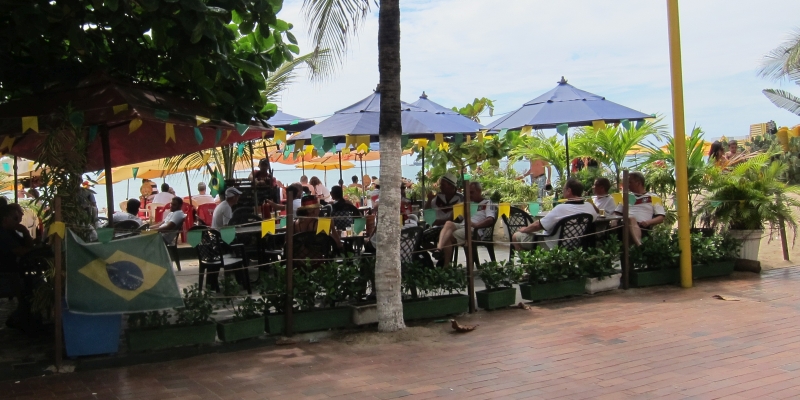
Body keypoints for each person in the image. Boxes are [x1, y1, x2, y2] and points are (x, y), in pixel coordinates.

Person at [512, 178, 597, 251]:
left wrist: (525, 229)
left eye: (564, 189)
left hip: (551, 245)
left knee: (516, 236)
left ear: (569, 190)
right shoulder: (589, 207)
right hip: (575, 245)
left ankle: (526, 263)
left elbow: (538, 225)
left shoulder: (561, 208)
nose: (562, 191)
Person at [435, 182, 496, 266]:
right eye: (468, 193)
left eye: (472, 192)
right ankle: (439, 249)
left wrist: (476, 225)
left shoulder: (487, 202)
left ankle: (446, 266)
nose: (469, 195)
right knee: (448, 223)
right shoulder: (468, 203)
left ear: (479, 191)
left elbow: (490, 219)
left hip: (475, 229)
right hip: (463, 225)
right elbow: (457, 218)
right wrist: (455, 210)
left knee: (448, 236)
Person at [613, 172, 665, 243]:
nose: (627, 185)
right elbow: (617, 213)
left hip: (642, 227)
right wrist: (614, 221)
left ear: (638, 183)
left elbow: (661, 217)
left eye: (630, 182)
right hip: (624, 225)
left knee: (632, 219)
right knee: (630, 220)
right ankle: (638, 244)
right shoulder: (627, 196)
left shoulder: (653, 197)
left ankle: (637, 244)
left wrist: (648, 222)